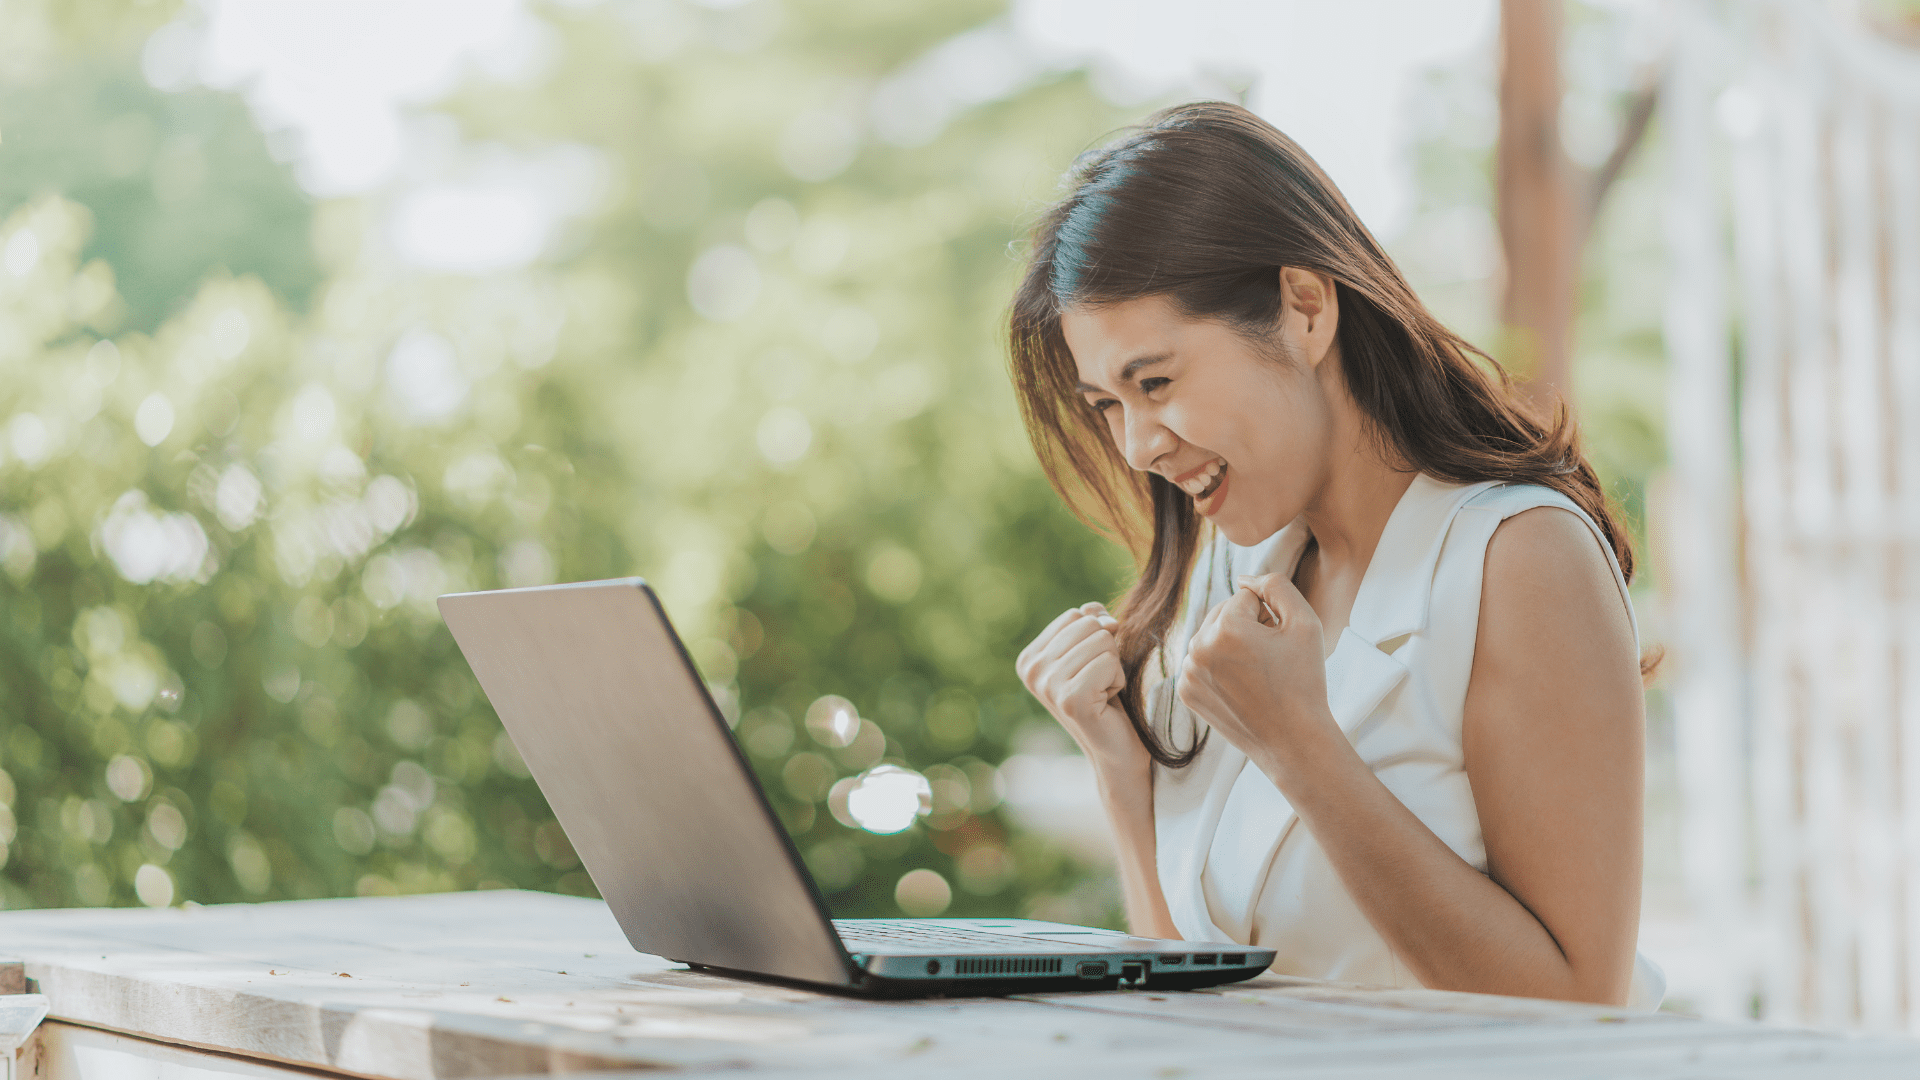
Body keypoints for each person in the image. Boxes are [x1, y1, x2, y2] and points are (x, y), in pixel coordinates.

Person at [1007, 102, 1661, 1007]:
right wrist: (1123, 776)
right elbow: (1188, 996)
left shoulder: (1519, 555)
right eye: (1106, 405)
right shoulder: (1243, 573)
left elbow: (1579, 1002)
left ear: (1305, 308)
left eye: (1154, 383)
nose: (1137, 447)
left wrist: (1302, 747)